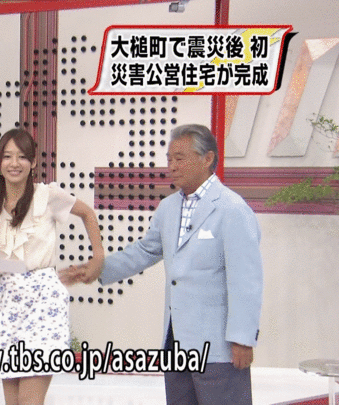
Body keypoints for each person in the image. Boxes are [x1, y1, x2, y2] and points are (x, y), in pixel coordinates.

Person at [97, 124, 263, 404]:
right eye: (169, 159)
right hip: (176, 342)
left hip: (218, 346)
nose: (172, 166)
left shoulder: (232, 209)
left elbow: (246, 280)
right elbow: (145, 250)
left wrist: (243, 338)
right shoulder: (168, 207)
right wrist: (97, 269)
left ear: (207, 158)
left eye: (180, 158)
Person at [0, 128, 104, 405]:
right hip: (7, 301)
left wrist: (98, 257)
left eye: (22, 157)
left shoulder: (47, 195)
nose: (14, 163)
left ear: (33, 162)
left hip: (44, 300)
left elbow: (87, 213)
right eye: (7, 156)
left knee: (29, 401)